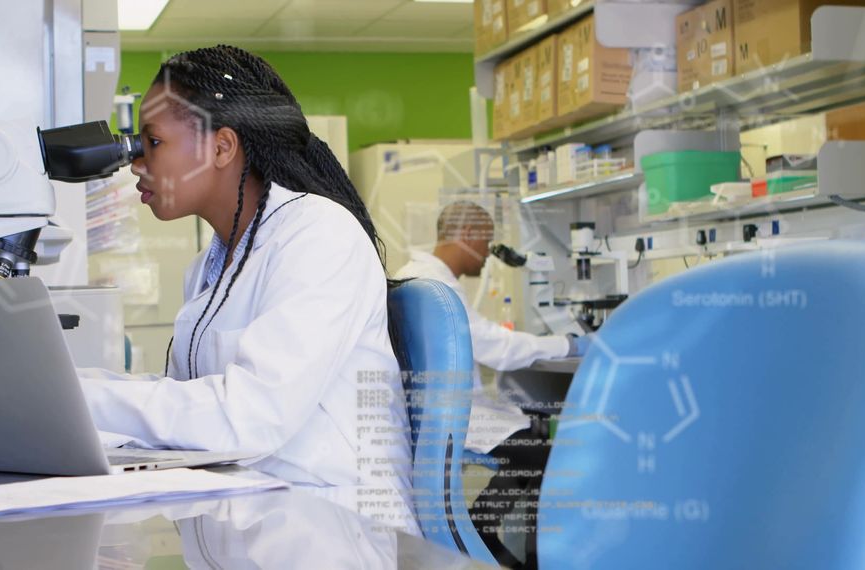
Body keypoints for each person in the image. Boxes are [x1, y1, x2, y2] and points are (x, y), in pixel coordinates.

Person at [75, 45, 417, 535]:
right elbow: (187, 400)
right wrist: (69, 390)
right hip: (254, 515)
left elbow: (249, 417)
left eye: (152, 143)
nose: (135, 163)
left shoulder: (318, 234)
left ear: (221, 147)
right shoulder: (210, 265)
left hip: (338, 528)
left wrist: (80, 398)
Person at [393, 200, 590, 564]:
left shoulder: (414, 274)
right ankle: (537, 560)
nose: (487, 255)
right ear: (468, 235)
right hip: (455, 417)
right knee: (549, 456)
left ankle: (484, 525)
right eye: (486, 242)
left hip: (432, 413)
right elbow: (496, 347)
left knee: (531, 439)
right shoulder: (437, 284)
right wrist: (570, 344)